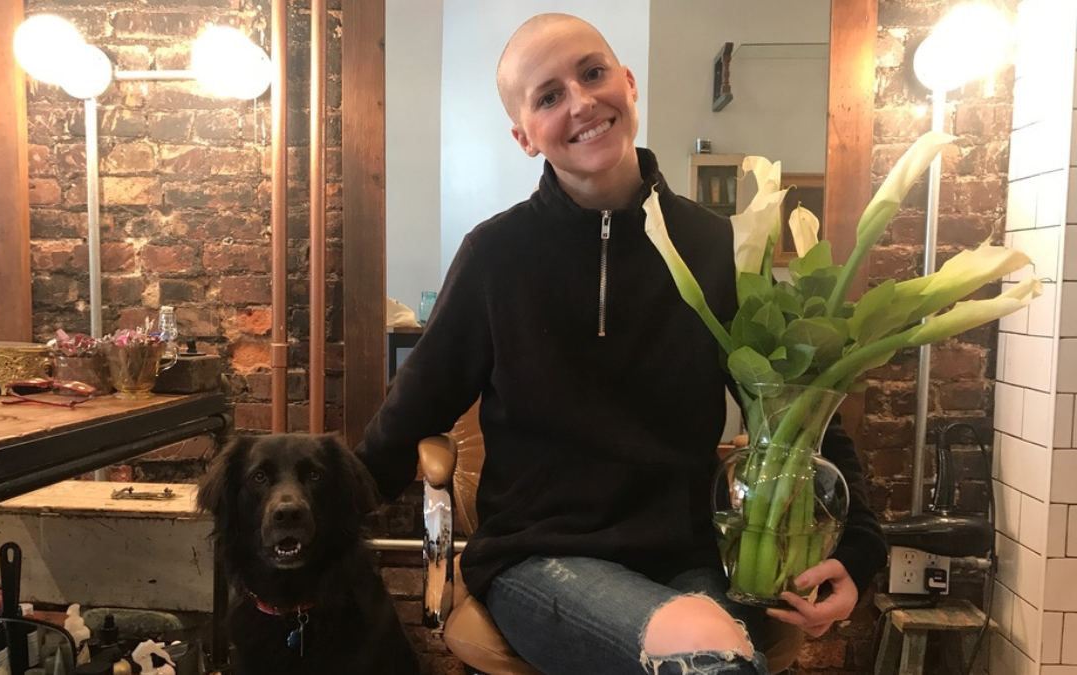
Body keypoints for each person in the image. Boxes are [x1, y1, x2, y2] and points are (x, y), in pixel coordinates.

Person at [356, 13, 886, 675]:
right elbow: (406, 422)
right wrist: (314, 521)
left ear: (628, 83)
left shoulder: (714, 248)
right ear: (524, 136)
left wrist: (860, 552)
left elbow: (798, 413)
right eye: (548, 96)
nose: (580, 102)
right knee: (710, 660)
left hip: (693, 557)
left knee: (710, 657)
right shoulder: (495, 257)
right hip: (539, 558)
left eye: (592, 72)